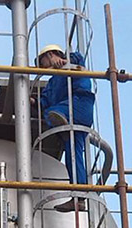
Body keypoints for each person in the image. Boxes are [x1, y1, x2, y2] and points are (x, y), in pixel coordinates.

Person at [36, 44, 95, 212]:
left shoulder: (70, 63)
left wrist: (65, 60)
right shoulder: (52, 83)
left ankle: (61, 119)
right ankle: (79, 197)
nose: (42, 67)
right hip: (70, 114)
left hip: (79, 104)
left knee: (52, 112)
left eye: (42, 61)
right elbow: (45, 101)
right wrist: (34, 102)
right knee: (73, 155)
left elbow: (78, 58)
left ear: (50, 54)